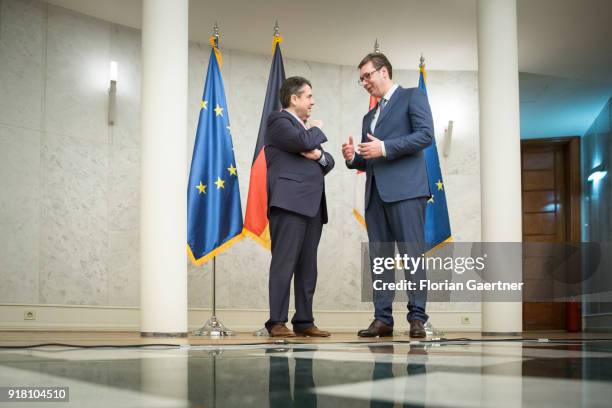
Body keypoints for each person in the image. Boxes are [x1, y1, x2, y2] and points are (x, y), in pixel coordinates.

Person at [342, 53, 434, 338]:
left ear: (384, 72)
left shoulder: (412, 96)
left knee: (412, 257)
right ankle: (382, 320)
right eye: (362, 79)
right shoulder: (368, 116)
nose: (365, 82)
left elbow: (425, 135)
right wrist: (352, 158)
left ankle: (417, 319)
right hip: (375, 196)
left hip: (407, 192)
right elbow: (369, 159)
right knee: (380, 261)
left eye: (368, 75)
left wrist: (385, 148)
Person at [264, 76, 335, 338]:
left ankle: (304, 320)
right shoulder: (278, 121)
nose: (312, 102)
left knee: (308, 267)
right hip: (289, 203)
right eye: (308, 96)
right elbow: (303, 142)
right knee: (284, 263)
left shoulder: (301, 131)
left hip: (313, 206)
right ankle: (277, 322)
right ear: (294, 99)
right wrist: (314, 130)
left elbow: (328, 162)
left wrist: (318, 154)